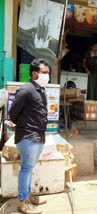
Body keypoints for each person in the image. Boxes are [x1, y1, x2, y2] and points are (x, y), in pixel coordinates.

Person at [8, 59, 50, 214]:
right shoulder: (26, 90)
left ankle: (28, 195)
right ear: (34, 73)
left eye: (48, 73)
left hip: (38, 136)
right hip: (28, 136)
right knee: (26, 168)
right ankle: (22, 202)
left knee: (30, 167)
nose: (47, 76)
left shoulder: (40, 90)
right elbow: (13, 112)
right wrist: (20, 123)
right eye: (44, 73)